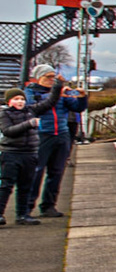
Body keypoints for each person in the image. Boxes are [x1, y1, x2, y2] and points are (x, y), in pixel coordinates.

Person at [25, 69, 85, 218]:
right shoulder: (31, 93)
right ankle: (26, 207)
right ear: (39, 78)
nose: (52, 80)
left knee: (57, 171)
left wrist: (82, 97)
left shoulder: (60, 94)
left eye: (54, 77)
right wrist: (57, 92)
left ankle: (49, 205)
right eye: (48, 77)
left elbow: (77, 107)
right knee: (36, 171)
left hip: (61, 134)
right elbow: (38, 108)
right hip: (42, 134)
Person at [1, 88, 55, 226]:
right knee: (6, 185)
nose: (20, 102)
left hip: (30, 154)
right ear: (9, 101)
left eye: (22, 99)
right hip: (11, 153)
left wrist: (58, 86)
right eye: (16, 99)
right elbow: (8, 131)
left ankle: (22, 215)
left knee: (26, 186)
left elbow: (49, 102)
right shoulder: (4, 114)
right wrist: (28, 124)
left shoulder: (31, 111)